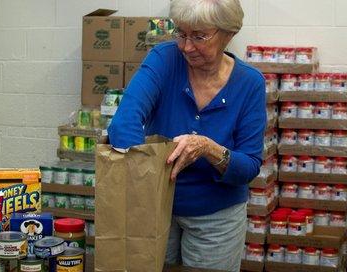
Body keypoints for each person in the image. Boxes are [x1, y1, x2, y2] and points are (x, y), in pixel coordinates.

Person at [107, 0, 266, 270]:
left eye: (199, 36)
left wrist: (207, 147)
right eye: (181, 33)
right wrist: (144, 193)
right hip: (156, 210)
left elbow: (248, 166)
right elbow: (125, 122)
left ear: (229, 34)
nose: (186, 46)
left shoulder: (250, 83)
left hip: (217, 220)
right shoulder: (164, 59)